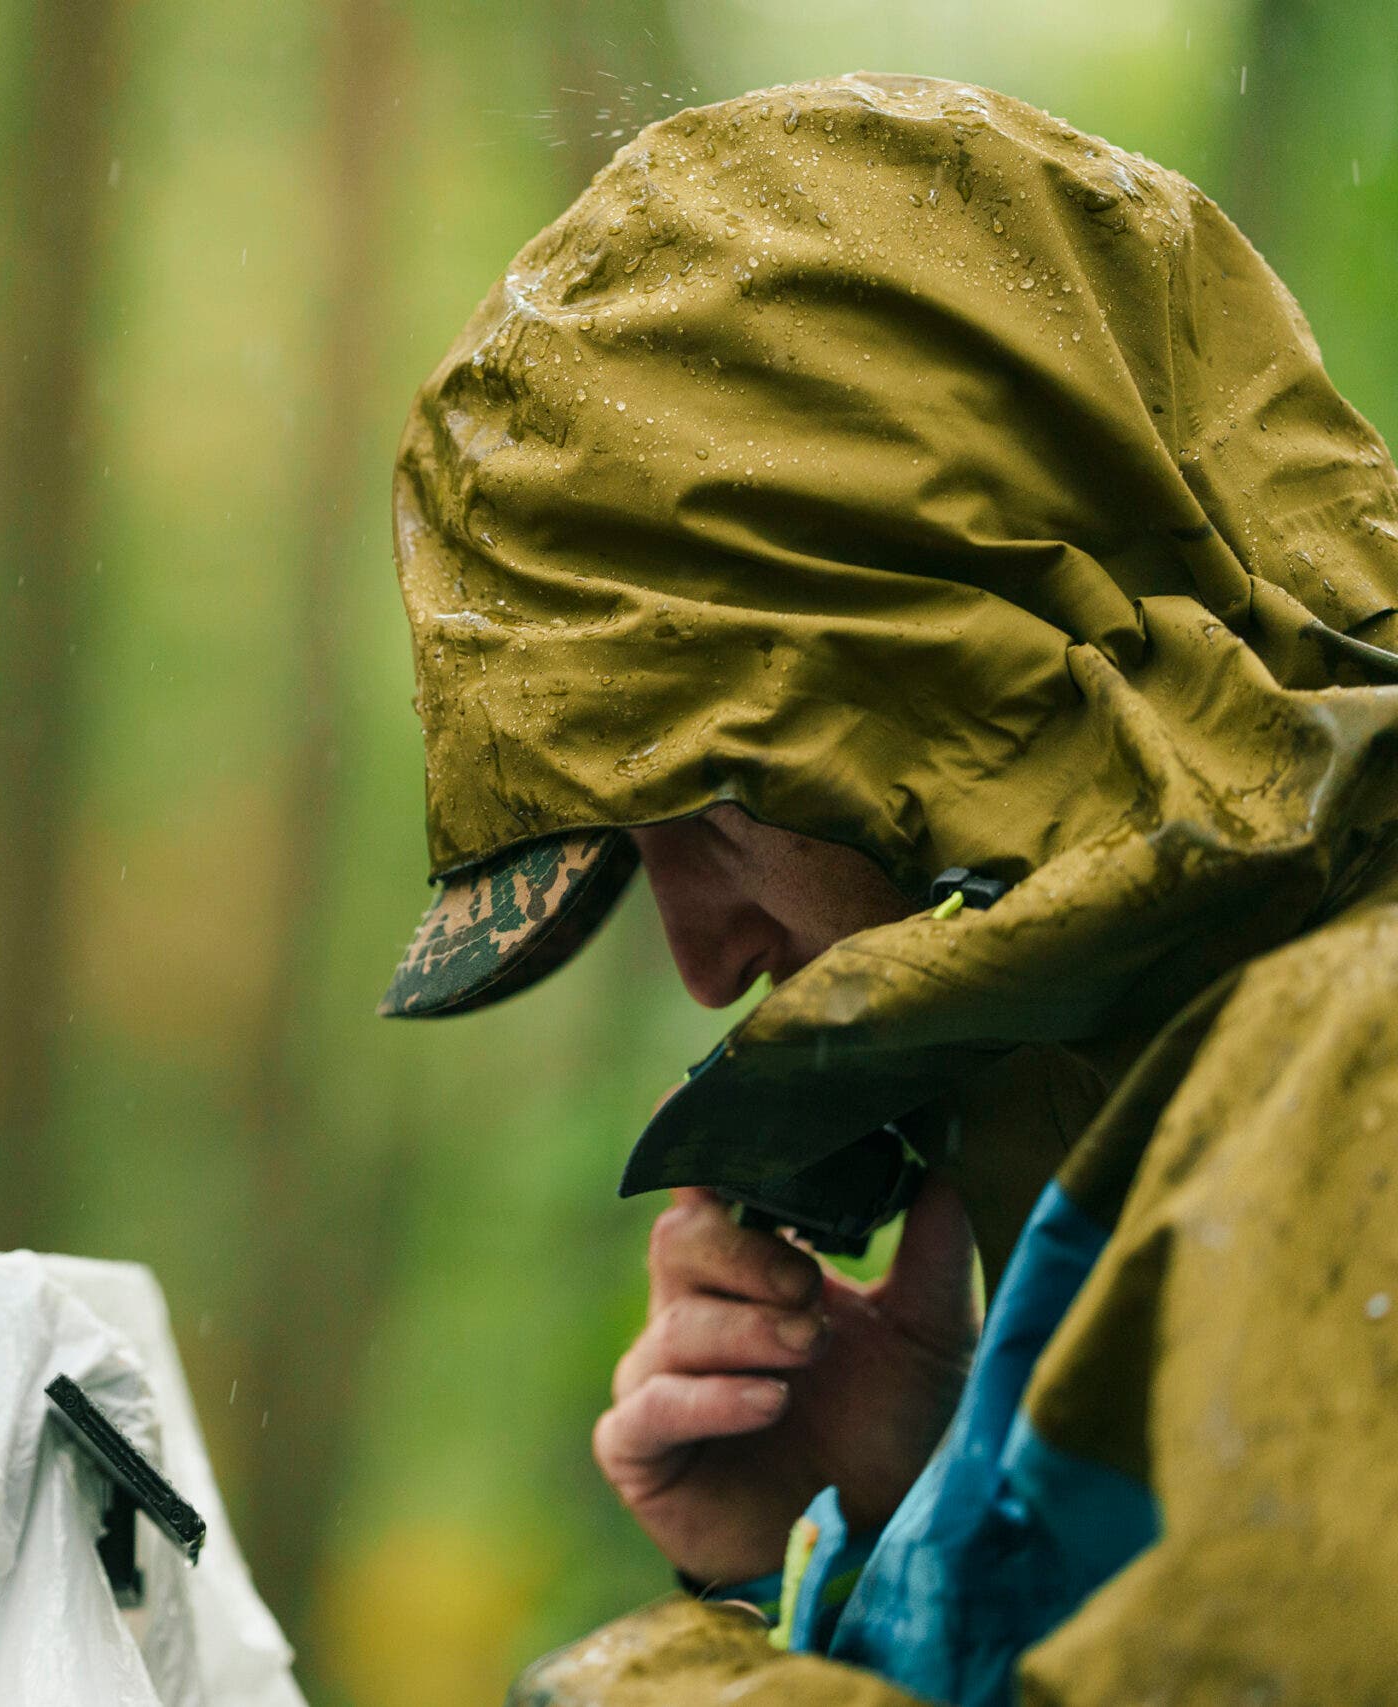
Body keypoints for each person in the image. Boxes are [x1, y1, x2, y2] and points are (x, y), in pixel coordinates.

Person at [376, 73, 1398, 1705]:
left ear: (950, 672)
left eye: (702, 818)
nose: (708, 967)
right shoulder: (1216, 1103)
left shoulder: (1362, 1067)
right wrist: (855, 1540)